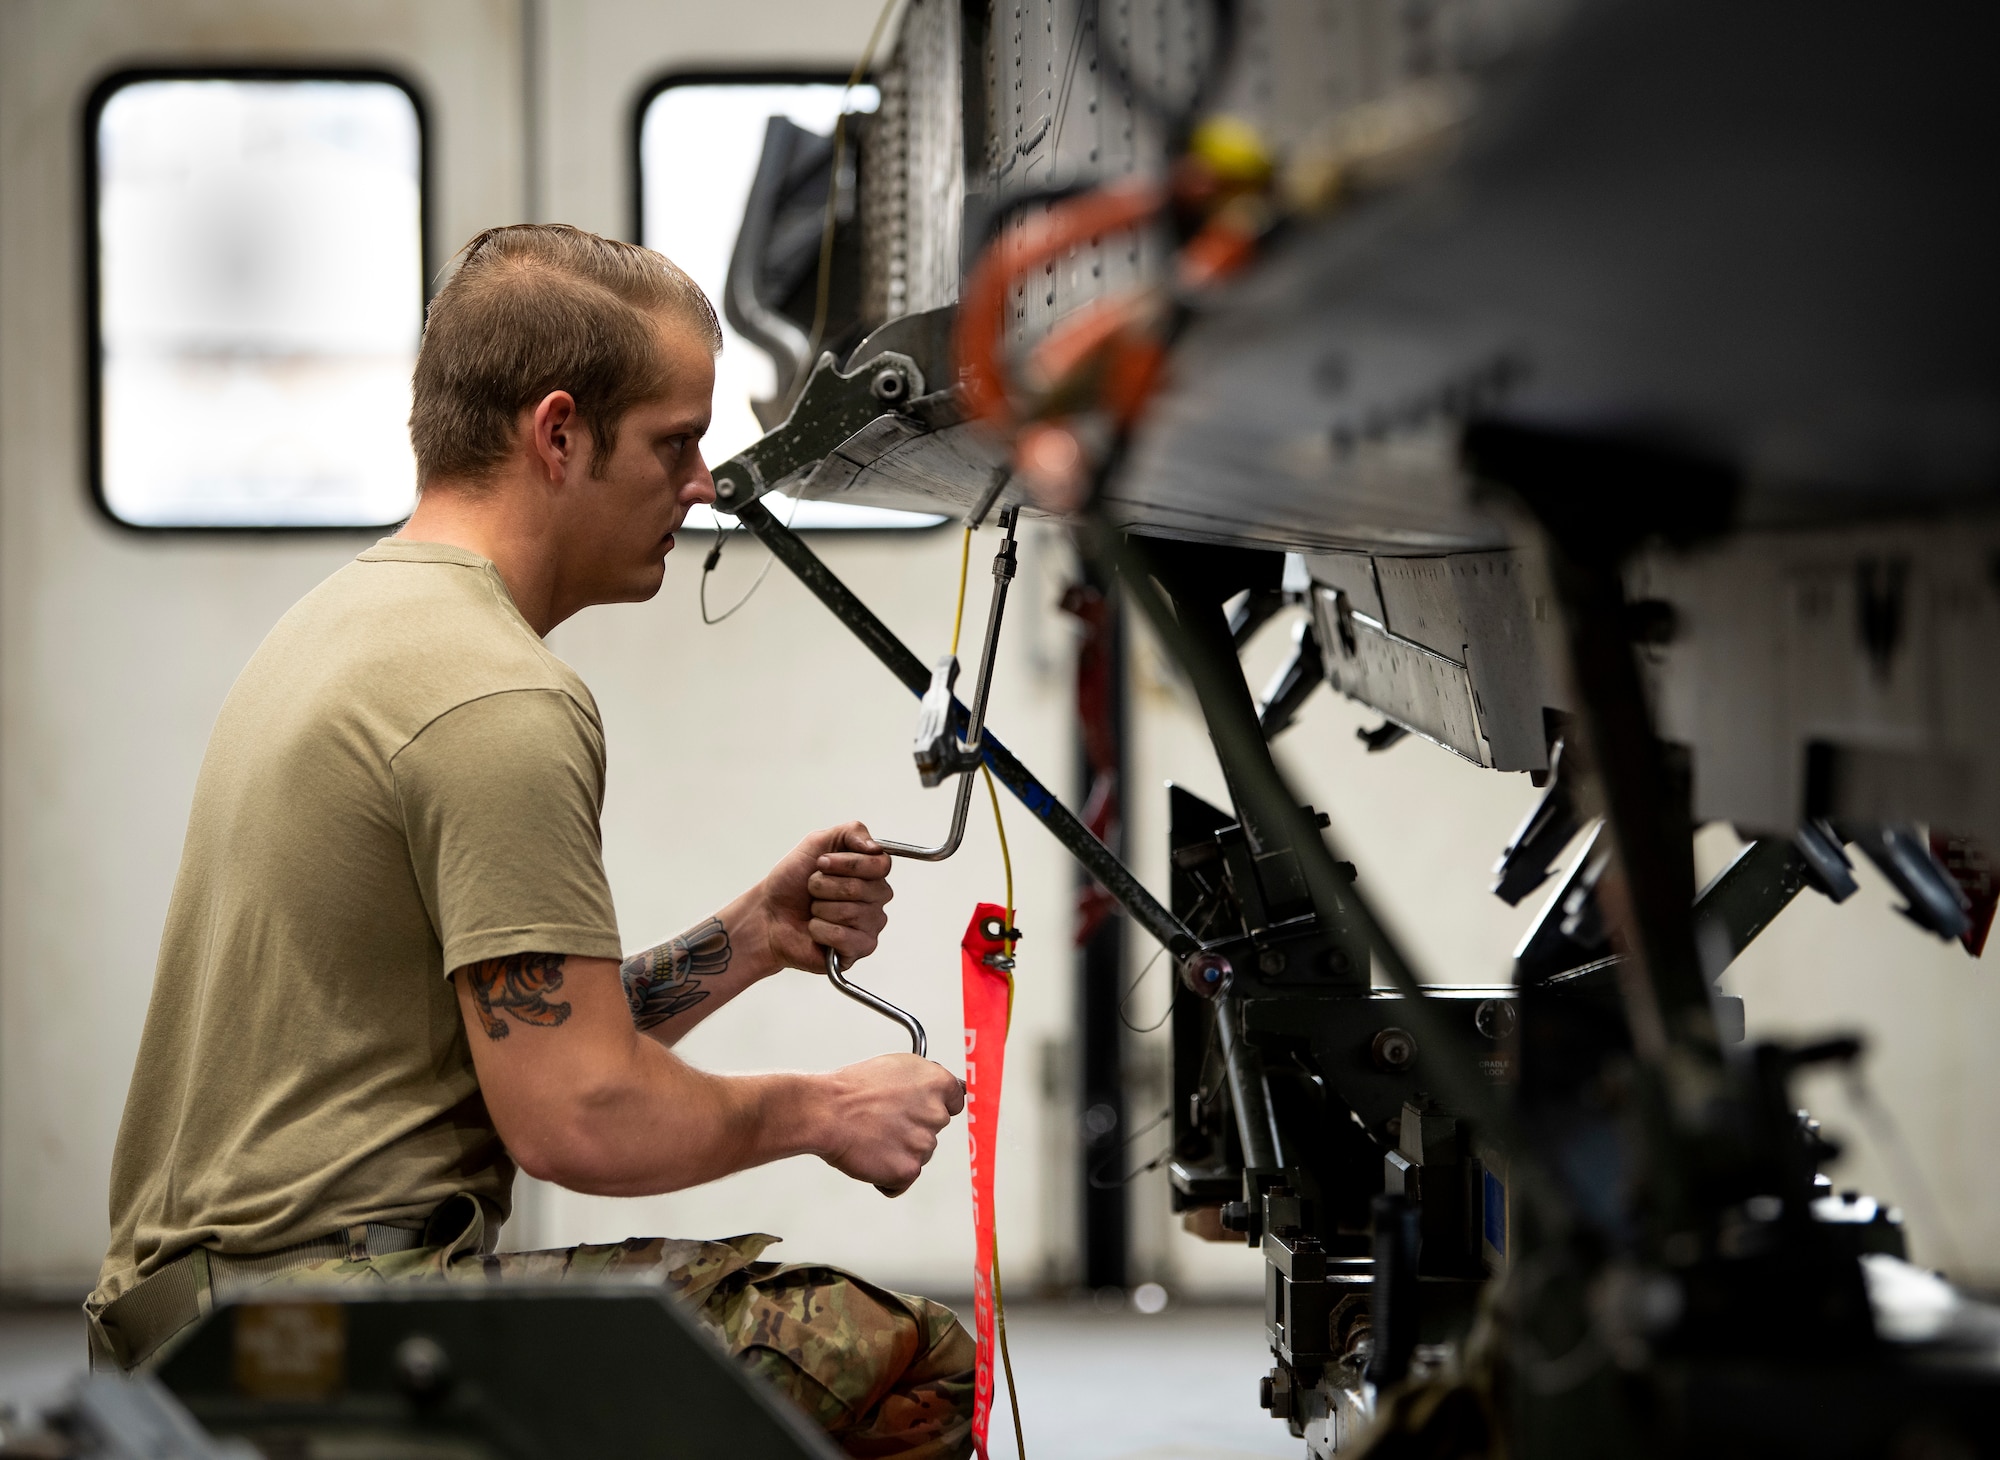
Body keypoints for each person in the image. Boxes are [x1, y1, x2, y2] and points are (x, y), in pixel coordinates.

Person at [85, 224, 974, 1458]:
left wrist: (750, 939)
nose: (704, 482)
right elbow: (579, 1118)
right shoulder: (500, 698)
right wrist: (823, 1107)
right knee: (902, 1355)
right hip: (305, 1337)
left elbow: (517, 1046)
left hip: (204, 1313)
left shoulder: (354, 620)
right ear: (558, 435)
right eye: (675, 442)